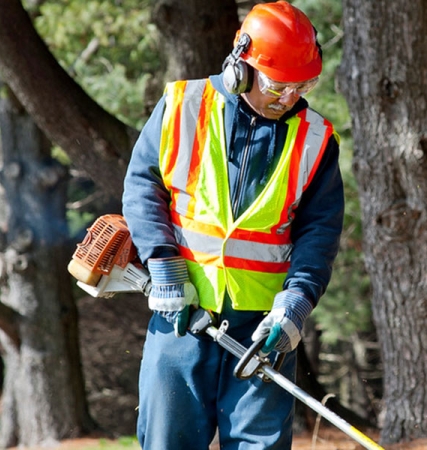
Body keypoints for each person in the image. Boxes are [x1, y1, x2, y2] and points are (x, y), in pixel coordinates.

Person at [121, 2, 344, 448]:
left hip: (263, 329)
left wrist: (296, 302)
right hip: (180, 313)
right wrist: (164, 266)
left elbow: (319, 233)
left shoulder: (316, 139)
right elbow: (142, 187)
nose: (289, 98)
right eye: (278, 85)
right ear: (239, 67)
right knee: (169, 440)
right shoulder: (182, 106)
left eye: (302, 86)